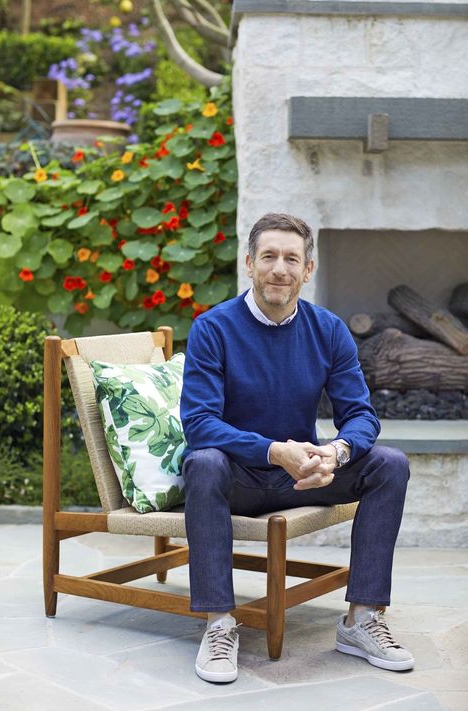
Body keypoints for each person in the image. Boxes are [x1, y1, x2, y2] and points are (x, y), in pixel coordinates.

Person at [180, 212, 414, 684]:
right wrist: (273, 450)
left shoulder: (328, 329)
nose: (279, 269)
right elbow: (199, 424)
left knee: (389, 463)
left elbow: (362, 415)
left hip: (305, 475)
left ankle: (362, 619)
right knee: (202, 463)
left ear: (307, 270)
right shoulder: (213, 328)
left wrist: (337, 453)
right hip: (240, 478)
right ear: (249, 263)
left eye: (292, 258)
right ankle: (219, 623)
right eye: (268, 256)